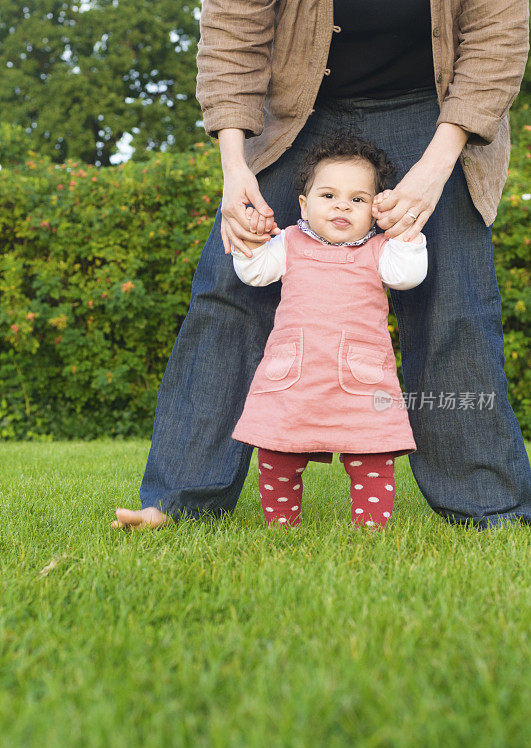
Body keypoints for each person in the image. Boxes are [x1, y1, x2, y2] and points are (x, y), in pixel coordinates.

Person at [112, 0, 531, 531]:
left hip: (433, 112)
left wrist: (435, 168)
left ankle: (489, 508)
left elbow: (497, 40)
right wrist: (235, 167)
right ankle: (177, 500)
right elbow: (233, 31)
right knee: (228, 292)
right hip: (296, 109)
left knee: (455, 300)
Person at [230, 131, 428, 529]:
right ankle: (282, 526)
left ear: (376, 209)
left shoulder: (380, 250)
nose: (342, 205)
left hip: (361, 379)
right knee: (278, 451)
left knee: (373, 452)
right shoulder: (288, 242)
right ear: (304, 204)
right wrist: (249, 240)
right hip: (295, 377)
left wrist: (405, 234)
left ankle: (370, 530)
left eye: (358, 199)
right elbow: (254, 273)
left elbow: (407, 276)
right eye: (328, 195)